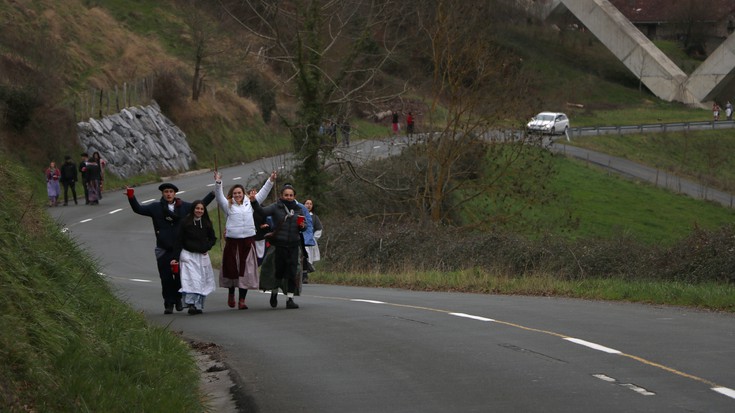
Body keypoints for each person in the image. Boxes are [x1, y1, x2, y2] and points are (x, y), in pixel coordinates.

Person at [126, 183, 215, 314]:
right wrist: (131, 197)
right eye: (166, 191)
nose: (168, 194)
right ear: (162, 193)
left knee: (181, 277)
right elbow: (138, 209)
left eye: (171, 191)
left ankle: (178, 300)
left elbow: (199, 206)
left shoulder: (184, 207)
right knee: (166, 278)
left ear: (175, 193)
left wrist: (213, 194)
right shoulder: (155, 207)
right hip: (163, 249)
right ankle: (168, 303)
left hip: (180, 250)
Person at [214, 170, 276, 310]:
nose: (237, 195)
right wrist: (218, 182)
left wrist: (270, 180)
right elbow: (219, 196)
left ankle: (242, 300)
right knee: (232, 270)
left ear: (243, 193)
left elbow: (263, 193)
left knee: (246, 272)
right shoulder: (227, 205)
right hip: (233, 243)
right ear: (232, 195)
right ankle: (231, 294)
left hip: (248, 242)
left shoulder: (250, 203)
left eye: (239, 193)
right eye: (235, 193)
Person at [252, 183, 308, 309]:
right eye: (286, 195)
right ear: (281, 196)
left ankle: (290, 299)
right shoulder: (276, 207)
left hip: (293, 245)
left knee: (293, 272)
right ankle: (274, 293)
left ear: (294, 196)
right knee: (278, 271)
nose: (289, 197)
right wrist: (254, 201)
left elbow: (305, 226)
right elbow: (261, 211)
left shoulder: (299, 209)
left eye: (291, 195)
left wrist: (303, 227)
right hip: (279, 245)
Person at [171, 200, 217, 315]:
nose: (199, 211)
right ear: (193, 209)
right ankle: (191, 305)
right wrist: (175, 258)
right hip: (188, 256)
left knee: (201, 281)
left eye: (201, 209)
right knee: (191, 280)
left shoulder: (207, 223)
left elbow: (213, 238)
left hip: (202, 257)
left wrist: (207, 247)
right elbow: (178, 241)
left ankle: (198, 305)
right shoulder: (185, 222)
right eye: (197, 208)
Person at [302, 198, 322, 284]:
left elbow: (319, 229)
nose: (308, 205)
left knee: (307, 257)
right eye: (307, 203)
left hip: (309, 242)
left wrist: (313, 238)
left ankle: (305, 275)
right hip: (300, 241)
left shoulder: (314, 217)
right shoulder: (300, 215)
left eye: (310, 204)